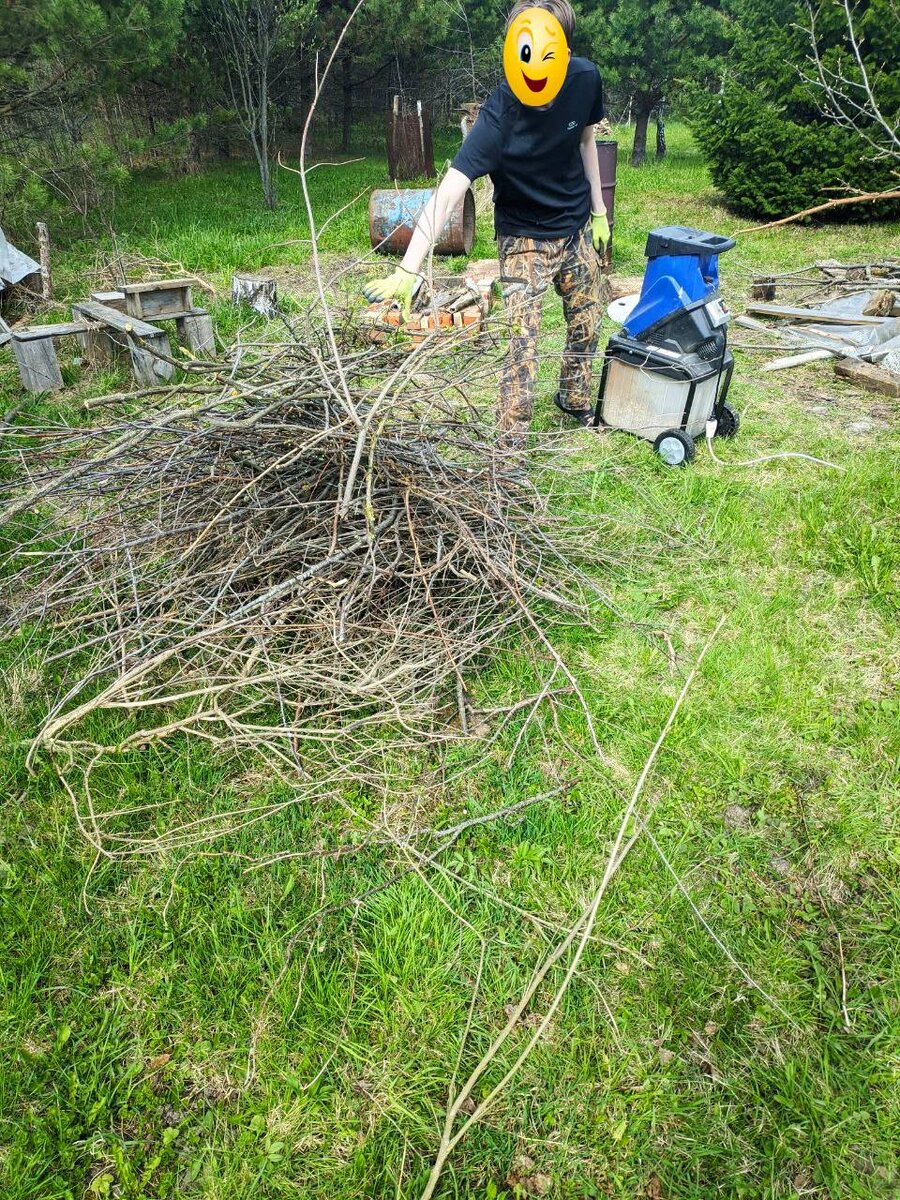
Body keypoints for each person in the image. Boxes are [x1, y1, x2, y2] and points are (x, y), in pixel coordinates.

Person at [364, 0, 609, 455]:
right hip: (524, 240)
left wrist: (598, 213)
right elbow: (448, 192)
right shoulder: (498, 117)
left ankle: (574, 399)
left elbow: (587, 139)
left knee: (587, 321)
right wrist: (410, 268)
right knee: (523, 350)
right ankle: (508, 456)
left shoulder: (584, 78)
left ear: (565, 48)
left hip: (575, 225)